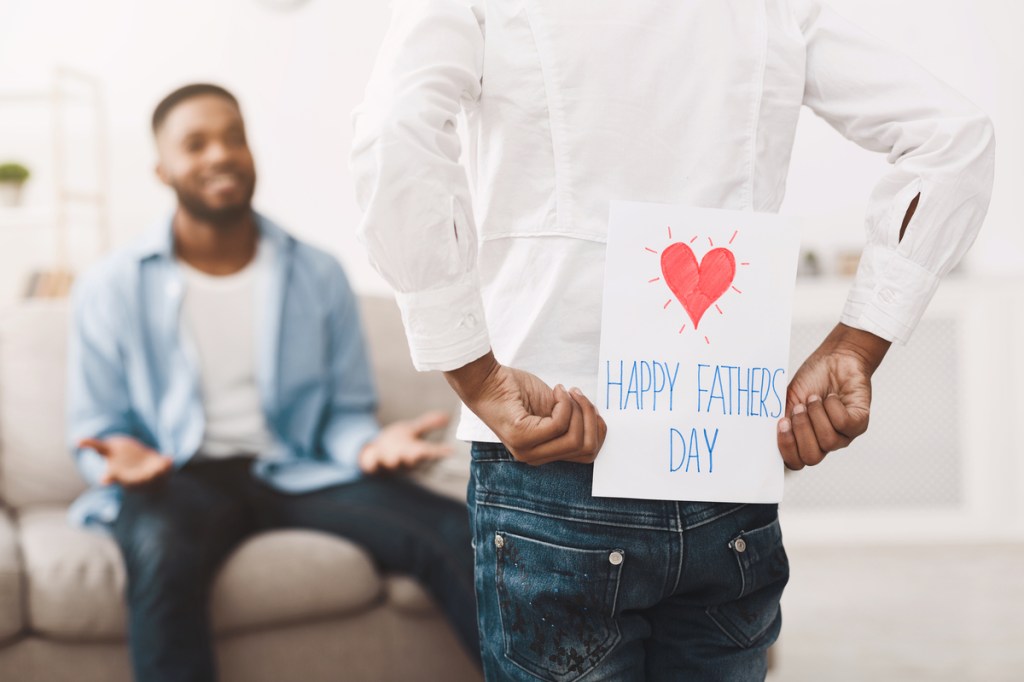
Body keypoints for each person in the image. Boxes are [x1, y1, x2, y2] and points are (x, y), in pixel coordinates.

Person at [352, 0, 994, 680]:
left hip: (559, 450)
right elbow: (955, 136)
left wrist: (475, 374)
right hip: (720, 460)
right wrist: (856, 345)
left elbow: (394, 131)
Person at [68, 83, 480, 682]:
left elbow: (343, 409)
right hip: (179, 480)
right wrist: (121, 456)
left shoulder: (317, 272)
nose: (220, 155)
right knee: (160, 552)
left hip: (295, 470)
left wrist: (365, 445)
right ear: (162, 169)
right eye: (196, 143)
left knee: (450, 529)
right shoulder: (110, 286)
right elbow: (97, 426)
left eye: (234, 137)